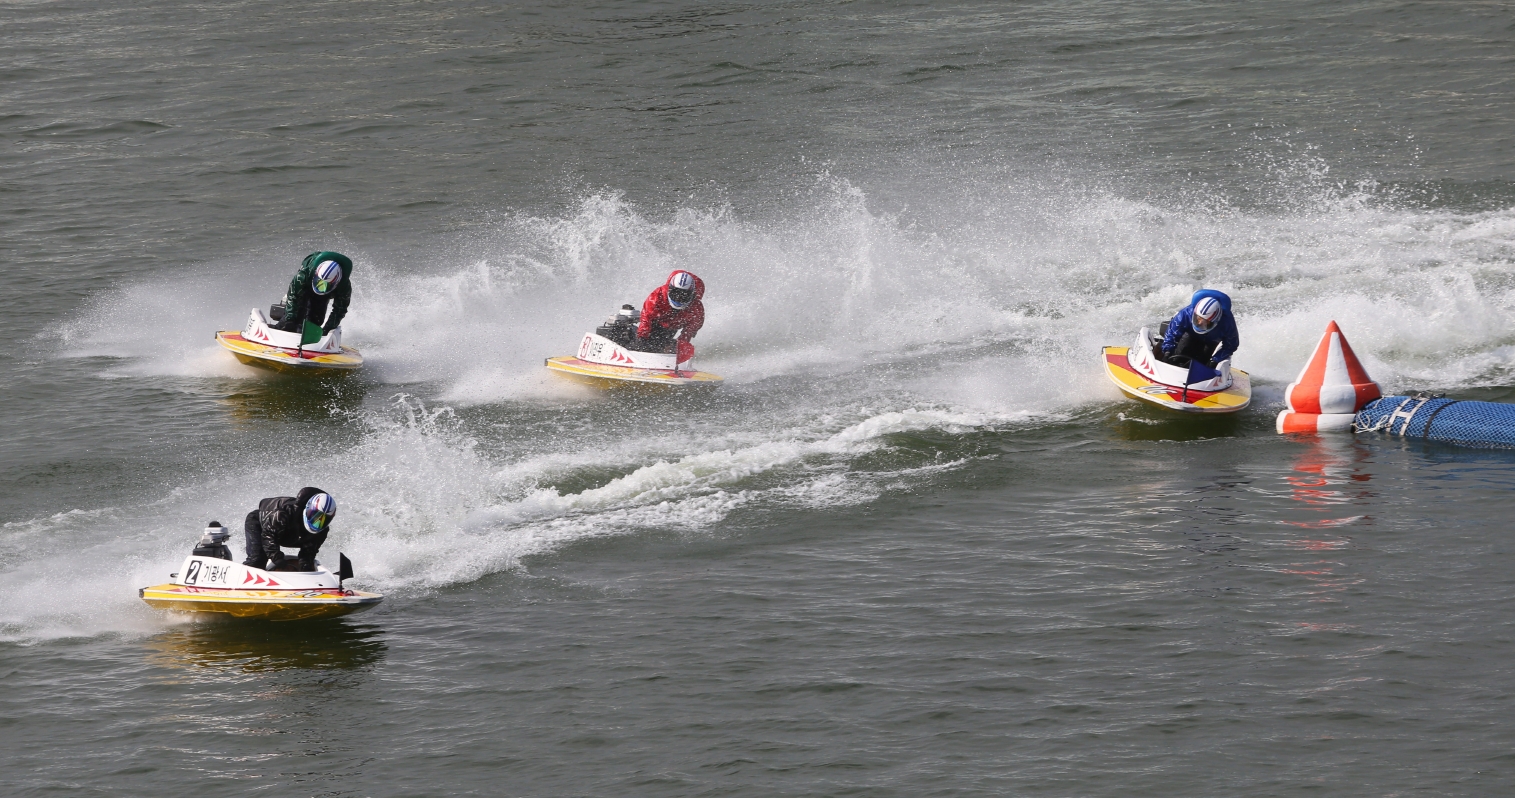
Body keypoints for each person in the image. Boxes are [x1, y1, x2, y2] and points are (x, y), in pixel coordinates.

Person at [243, 487, 336, 571]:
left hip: (283, 534)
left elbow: (309, 551)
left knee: (307, 566)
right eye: (315, 516)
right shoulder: (284, 513)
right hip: (259, 524)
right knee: (257, 560)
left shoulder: (322, 532)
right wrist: (277, 558)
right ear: (308, 508)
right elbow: (268, 536)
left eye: (324, 519)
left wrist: (305, 565)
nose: (317, 522)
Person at [272, 251, 353, 335]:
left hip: (325, 296)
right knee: (293, 318)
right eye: (319, 282)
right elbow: (293, 296)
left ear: (336, 282)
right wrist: (290, 318)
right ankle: (278, 329)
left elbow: (339, 310)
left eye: (325, 285)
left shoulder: (344, 287)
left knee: (316, 321)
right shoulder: (303, 276)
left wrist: (327, 329)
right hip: (306, 286)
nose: (320, 287)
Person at [633, 270, 705, 359]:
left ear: (692, 295)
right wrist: (642, 338)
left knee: (663, 347)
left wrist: (679, 348)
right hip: (655, 322)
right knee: (642, 343)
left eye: (684, 295)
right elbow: (646, 318)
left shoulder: (697, 310)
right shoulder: (658, 295)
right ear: (669, 290)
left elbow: (687, 334)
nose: (679, 298)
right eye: (676, 293)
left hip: (670, 329)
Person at [1160, 288, 1239, 368]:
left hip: (1210, 342)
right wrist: (1167, 351)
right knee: (1176, 359)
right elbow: (1171, 334)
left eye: (1206, 322)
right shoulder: (1185, 314)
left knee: (1202, 365)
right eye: (1198, 319)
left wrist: (1215, 360)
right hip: (1189, 335)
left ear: (1216, 321)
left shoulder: (1227, 323)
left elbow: (1231, 345)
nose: (1200, 323)